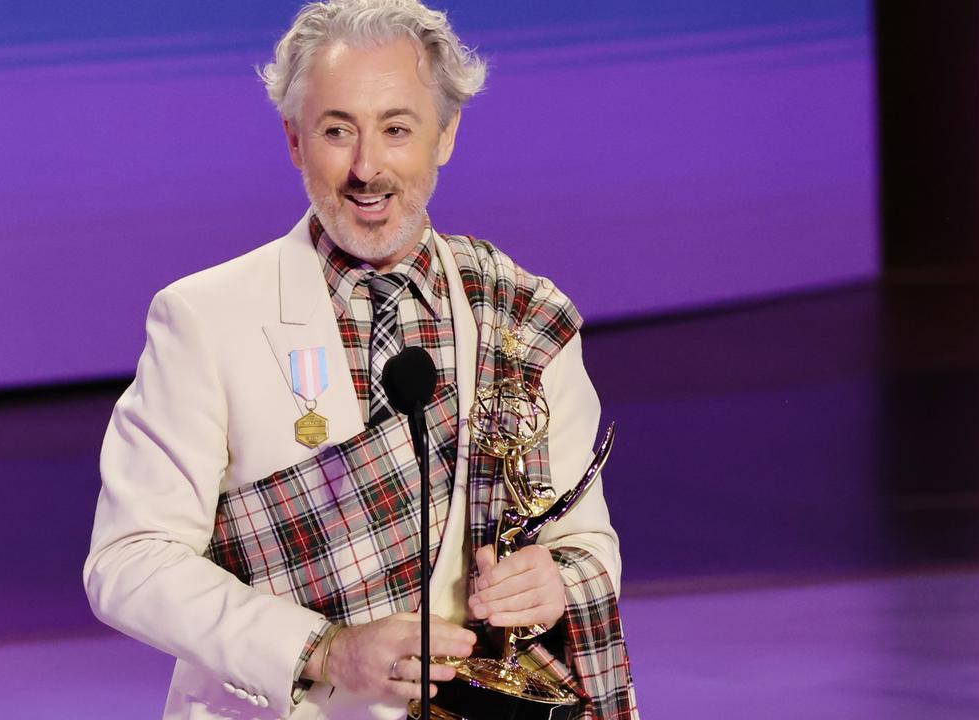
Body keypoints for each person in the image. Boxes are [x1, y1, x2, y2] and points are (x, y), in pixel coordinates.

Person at [83, 1, 636, 718]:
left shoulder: (521, 315)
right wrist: (322, 648)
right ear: (293, 140)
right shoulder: (204, 320)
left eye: (397, 129)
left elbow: (584, 538)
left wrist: (556, 580)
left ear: (447, 134)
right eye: (337, 131)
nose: (367, 168)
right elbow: (128, 561)